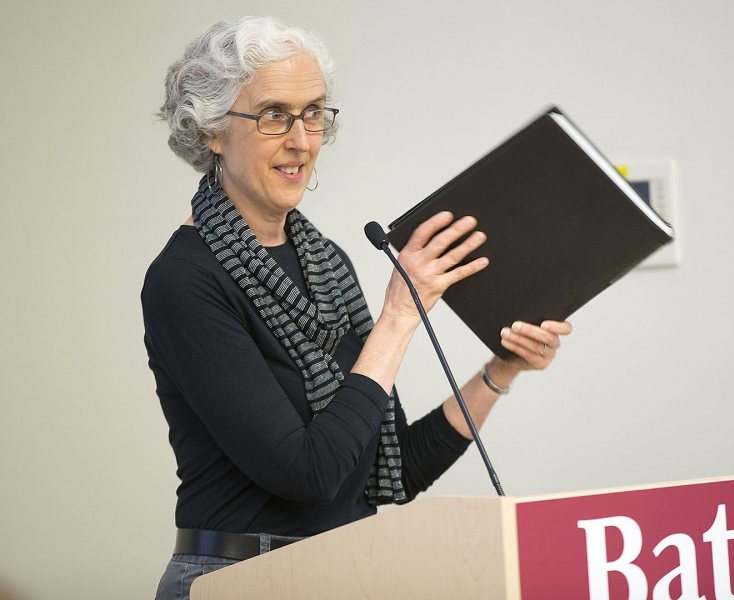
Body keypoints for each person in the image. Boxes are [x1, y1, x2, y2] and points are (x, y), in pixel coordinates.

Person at [143, 16, 573, 599]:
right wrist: (400, 316)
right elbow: (311, 474)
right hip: (237, 579)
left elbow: (396, 469)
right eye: (274, 115)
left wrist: (501, 370)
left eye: (314, 113)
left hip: (341, 571)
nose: (301, 140)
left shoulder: (327, 265)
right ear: (212, 129)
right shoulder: (184, 280)